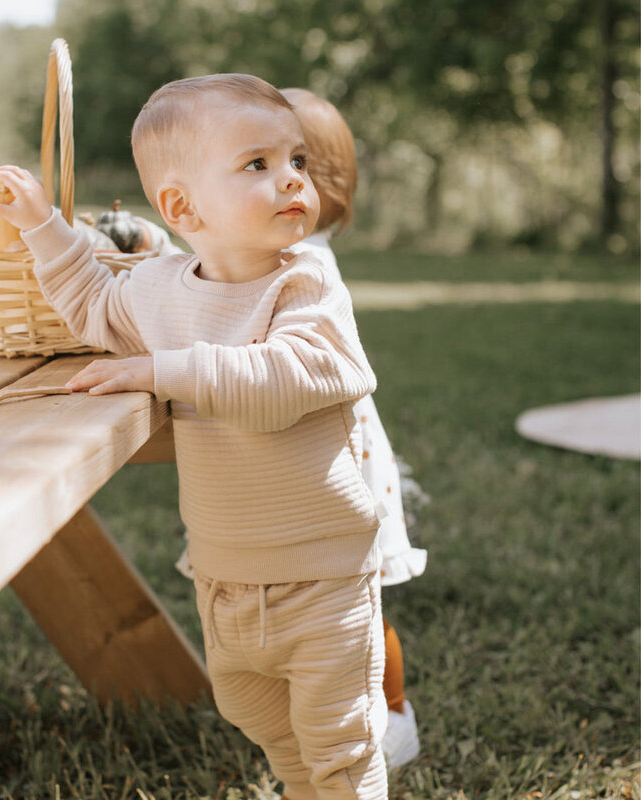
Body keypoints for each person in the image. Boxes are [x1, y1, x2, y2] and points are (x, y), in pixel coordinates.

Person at [0, 73, 390, 800]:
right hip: (224, 575)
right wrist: (45, 226)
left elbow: (282, 383)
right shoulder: (163, 287)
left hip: (323, 574)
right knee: (259, 719)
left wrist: (164, 370)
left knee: (338, 748)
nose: (293, 178)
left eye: (296, 159)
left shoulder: (306, 287)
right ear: (179, 208)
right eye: (257, 164)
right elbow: (93, 304)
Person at [280, 87, 427, 770]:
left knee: (356, 610)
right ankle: (322, 710)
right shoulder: (272, 252)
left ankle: (394, 715)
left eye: (273, 163)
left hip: (339, 467)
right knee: (303, 612)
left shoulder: (303, 262)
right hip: (298, 466)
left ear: (317, 186)